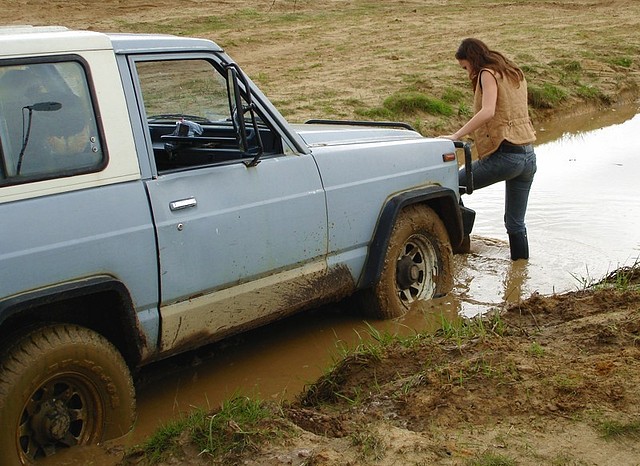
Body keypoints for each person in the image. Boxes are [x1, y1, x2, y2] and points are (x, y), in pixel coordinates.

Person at [441, 38, 537, 260]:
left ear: (472, 60)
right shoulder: (512, 71)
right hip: (528, 156)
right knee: (515, 223)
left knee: (450, 184)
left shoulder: (487, 73)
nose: (467, 74)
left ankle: (461, 244)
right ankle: (520, 272)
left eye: (465, 68)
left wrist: (456, 135)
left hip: (507, 157)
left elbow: (488, 111)